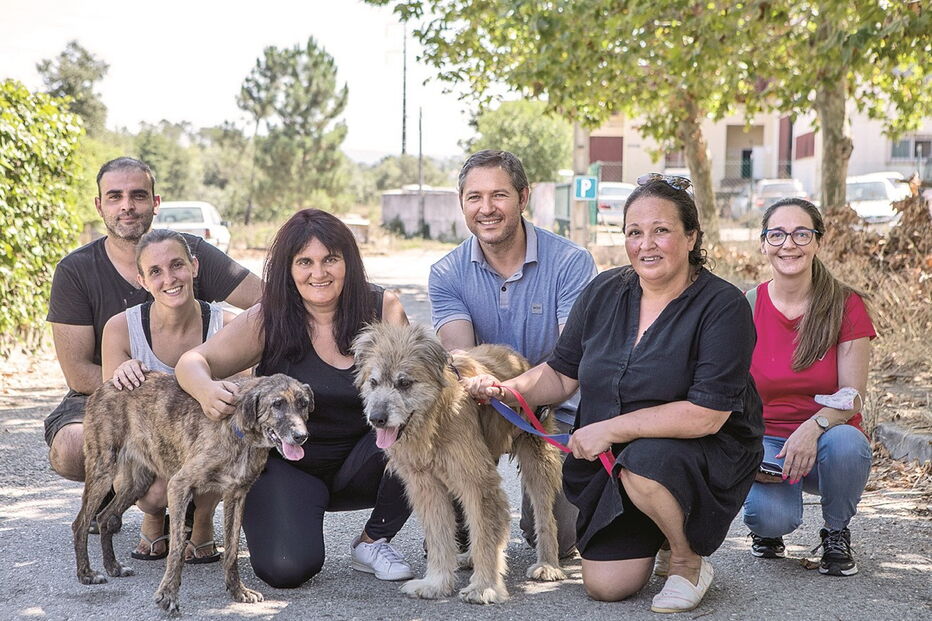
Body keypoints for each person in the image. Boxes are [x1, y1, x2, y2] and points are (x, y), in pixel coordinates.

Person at [463, 174, 763, 614]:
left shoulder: (723, 306)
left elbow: (707, 415)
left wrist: (608, 428)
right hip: (616, 460)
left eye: (661, 230)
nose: (647, 245)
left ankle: (685, 558)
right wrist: (505, 390)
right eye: (634, 232)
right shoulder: (605, 291)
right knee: (606, 586)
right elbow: (561, 375)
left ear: (691, 235)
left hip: (699, 450)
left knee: (643, 465)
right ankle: (658, 525)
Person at [175, 208, 414, 588]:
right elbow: (192, 361)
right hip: (287, 467)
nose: (318, 273)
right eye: (305, 262)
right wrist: (205, 389)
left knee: (420, 423)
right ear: (288, 269)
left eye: (330, 260)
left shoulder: (382, 309)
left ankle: (373, 541)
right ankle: (295, 521)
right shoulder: (268, 317)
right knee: (285, 570)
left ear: (347, 263)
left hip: (367, 460)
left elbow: (419, 385)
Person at [44, 157, 262, 519]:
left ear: (155, 203)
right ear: (100, 205)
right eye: (114, 197)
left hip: (197, 398)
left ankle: (191, 503)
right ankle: (121, 492)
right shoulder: (76, 271)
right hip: (113, 394)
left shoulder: (189, 251)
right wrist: (133, 384)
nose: (127, 206)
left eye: (138, 196)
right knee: (70, 446)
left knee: (239, 425)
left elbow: (267, 302)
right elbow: (77, 372)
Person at [428, 149, 596, 558]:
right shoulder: (446, 273)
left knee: (557, 537)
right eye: (474, 197)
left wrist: (505, 388)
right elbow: (459, 356)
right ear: (462, 203)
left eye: (499, 195)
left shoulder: (571, 263)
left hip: (555, 411)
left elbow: (567, 364)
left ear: (523, 198)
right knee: (464, 532)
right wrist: (488, 390)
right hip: (479, 408)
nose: (486, 209)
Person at [742, 198, 874, 576]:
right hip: (768, 446)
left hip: (829, 440)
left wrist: (812, 428)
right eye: (777, 234)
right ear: (764, 243)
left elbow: (851, 396)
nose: (789, 244)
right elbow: (731, 393)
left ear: (817, 241)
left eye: (802, 233)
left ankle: (836, 531)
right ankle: (769, 529)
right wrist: (743, 451)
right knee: (769, 519)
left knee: (849, 444)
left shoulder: (845, 305)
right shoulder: (747, 306)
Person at [100, 228, 237, 563]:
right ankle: (152, 516)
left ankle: (202, 522)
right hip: (151, 448)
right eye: (156, 272)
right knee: (154, 492)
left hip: (205, 445)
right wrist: (120, 376)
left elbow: (244, 400)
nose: (169, 279)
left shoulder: (228, 325)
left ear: (194, 266)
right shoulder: (120, 328)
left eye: (177, 265)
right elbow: (112, 416)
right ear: (142, 280)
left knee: (228, 439)